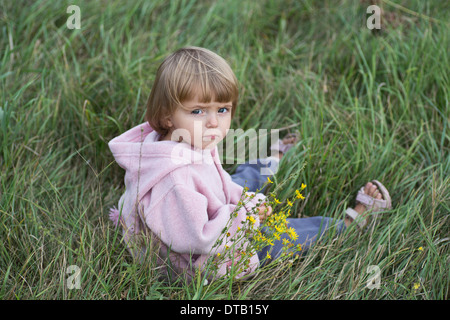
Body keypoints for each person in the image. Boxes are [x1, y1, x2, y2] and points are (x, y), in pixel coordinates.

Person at [108, 46, 392, 281]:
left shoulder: (187, 139)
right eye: (198, 111)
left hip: (203, 217)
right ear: (167, 116)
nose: (213, 121)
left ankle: (269, 161)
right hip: (195, 261)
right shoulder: (174, 182)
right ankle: (346, 226)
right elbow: (201, 237)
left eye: (222, 109)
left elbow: (217, 182)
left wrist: (242, 202)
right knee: (276, 237)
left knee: (234, 183)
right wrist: (247, 214)